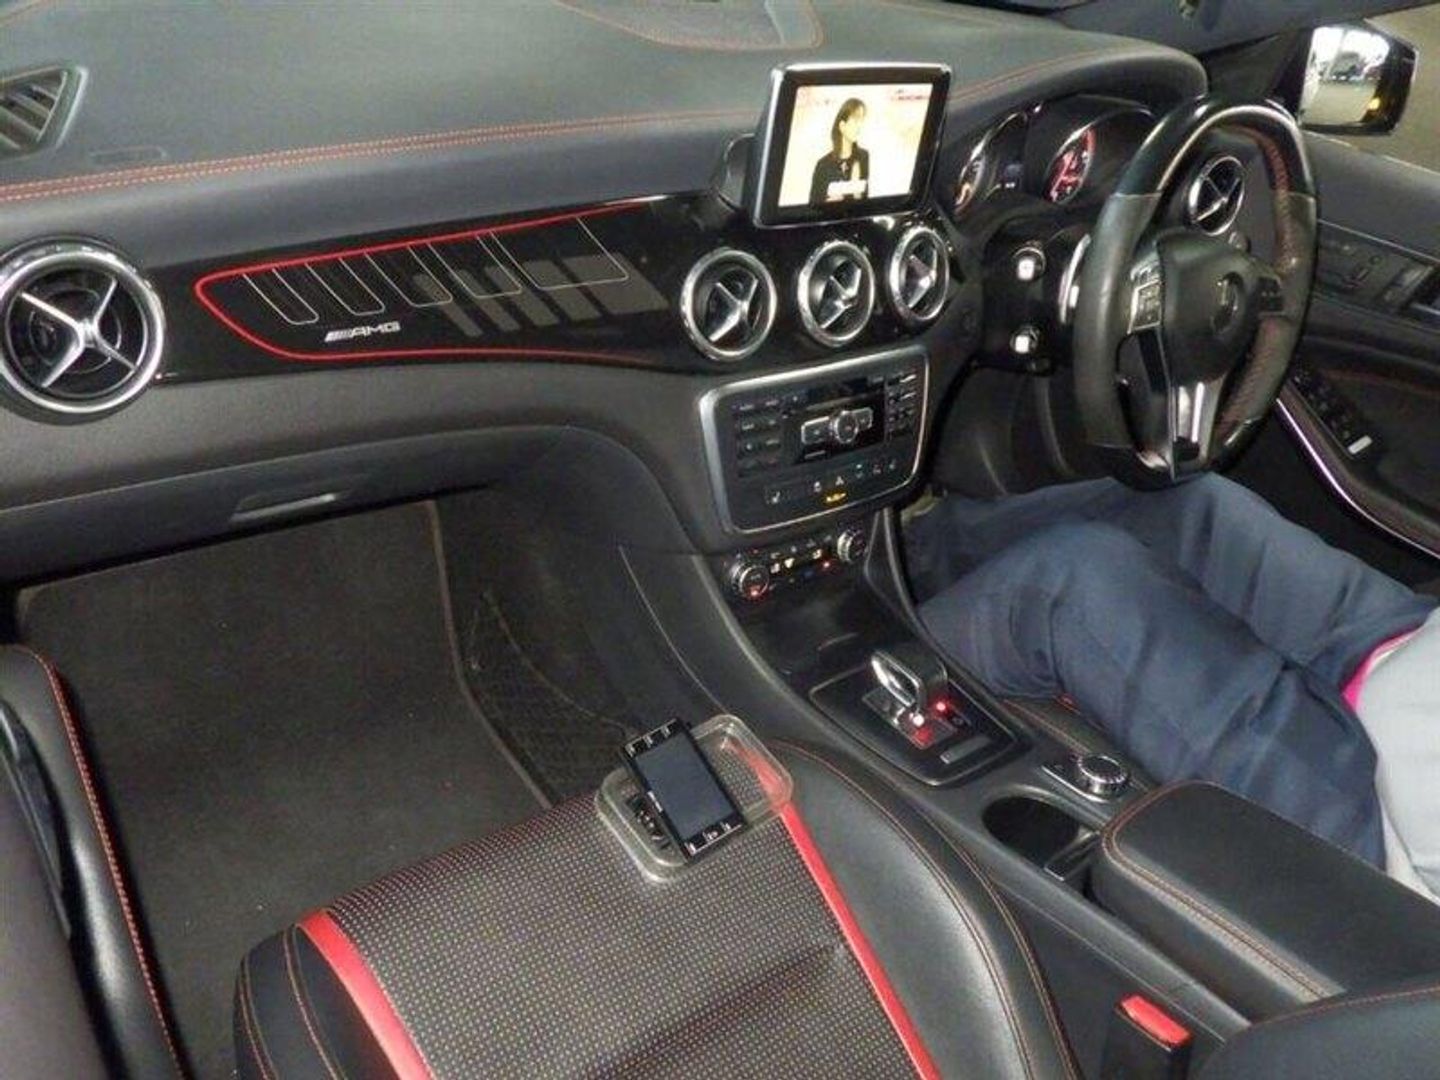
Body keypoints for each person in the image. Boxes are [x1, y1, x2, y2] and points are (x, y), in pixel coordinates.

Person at [905, 473, 1440, 898]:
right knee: (1192, 507)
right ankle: (908, 547)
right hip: (1405, 648)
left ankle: (876, 681)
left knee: (1063, 585)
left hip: (1376, 817)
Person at [809, 98, 870, 205]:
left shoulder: (863, 157)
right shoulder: (823, 165)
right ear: (842, 126)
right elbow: (813, 205)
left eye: (861, 120)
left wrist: (857, 194)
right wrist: (828, 204)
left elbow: (865, 201)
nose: (860, 126)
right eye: (856, 121)